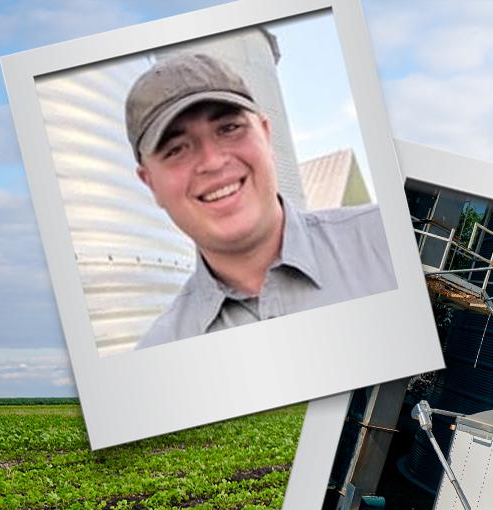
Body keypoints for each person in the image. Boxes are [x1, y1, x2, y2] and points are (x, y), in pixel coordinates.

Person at [124, 53, 395, 348]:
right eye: (175, 149)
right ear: (149, 182)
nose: (213, 162)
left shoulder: (392, 241)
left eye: (228, 128)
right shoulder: (160, 353)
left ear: (266, 135)